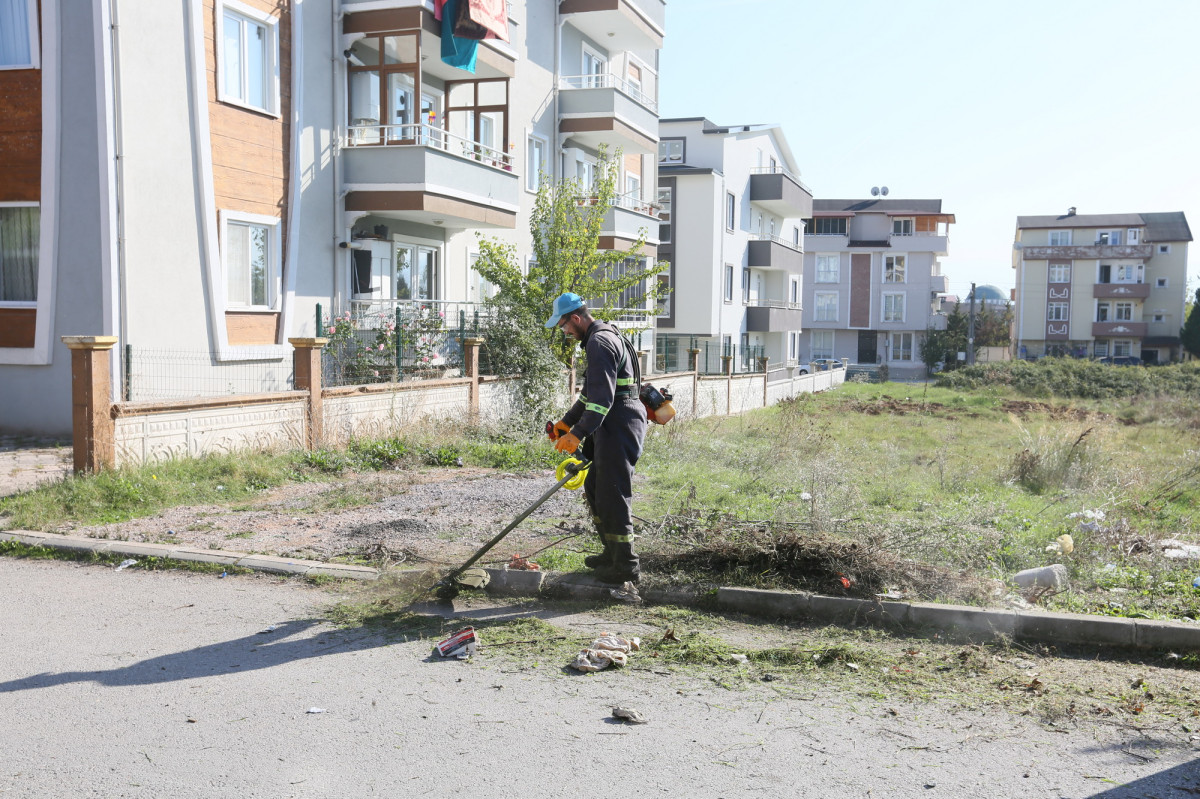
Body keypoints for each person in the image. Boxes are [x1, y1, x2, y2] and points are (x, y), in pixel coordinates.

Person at [544, 292, 646, 584]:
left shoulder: (599, 343)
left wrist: (576, 435)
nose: (564, 332)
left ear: (576, 318)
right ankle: (611, 553)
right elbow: (590, 394)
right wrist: (567, 422)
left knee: (613, 492)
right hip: (613, 422)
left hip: (620, 422)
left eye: (564, 325)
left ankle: (625, 566)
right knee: (595, 485)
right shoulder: (602, 336)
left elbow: (601, 401)